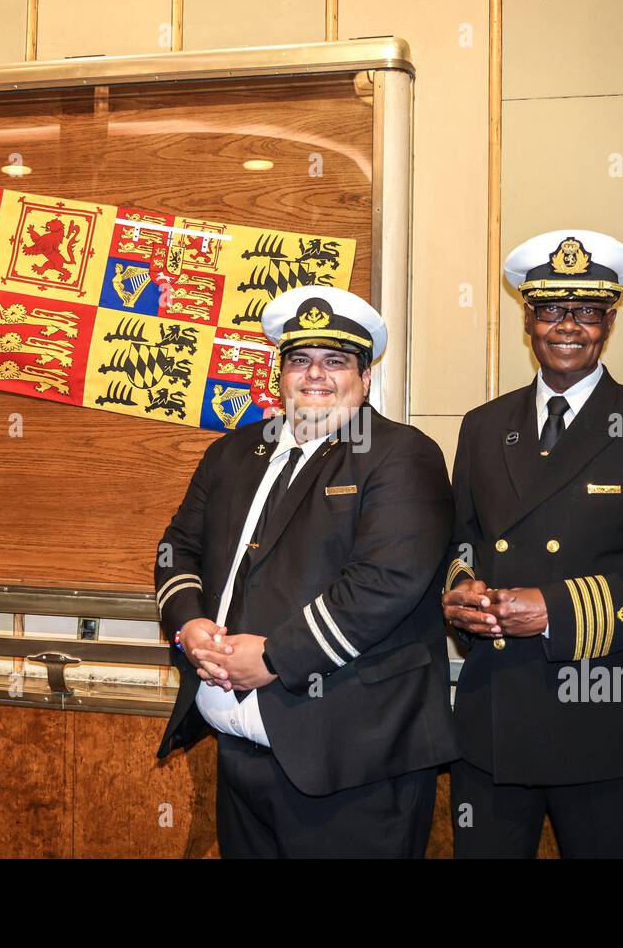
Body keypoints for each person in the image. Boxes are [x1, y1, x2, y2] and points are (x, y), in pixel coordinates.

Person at [153, 285, 458, 858]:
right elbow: (177, 549)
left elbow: (383, 584)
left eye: (336, 361)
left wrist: (273, 657)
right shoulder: (234, 453)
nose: (315, 375)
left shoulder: (402, 455)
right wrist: (188, 627)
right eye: (300, 360)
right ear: (280, 373)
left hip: (352, 762)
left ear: (365, 378)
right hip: (240, 752)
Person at [443, 230, 623, 857]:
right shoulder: (483, 426)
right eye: (552, 310)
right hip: (492, 715)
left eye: (586, 312)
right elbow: (459, 545)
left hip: (599, 716)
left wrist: (555, 610)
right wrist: (457, 593)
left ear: (609, 321)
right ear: (528, 319)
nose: (568, 327)